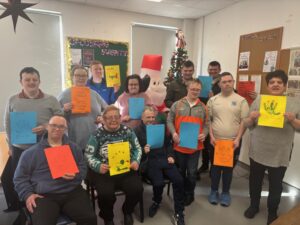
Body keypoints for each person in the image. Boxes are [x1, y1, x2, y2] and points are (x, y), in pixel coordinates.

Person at [13, 115, 97, 225]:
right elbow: (19, 178)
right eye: (53, 125)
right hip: (44, 196)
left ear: (65, 129)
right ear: (47, 127)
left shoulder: (74, 148)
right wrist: (28, 194)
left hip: (72, 191)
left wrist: (76, 175)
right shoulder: (30, 153)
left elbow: (83, 167)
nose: (57, 129)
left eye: (61, 126)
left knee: (90, 219)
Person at [243, 70, 300, 225]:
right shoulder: (259, 99)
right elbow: (247, 123)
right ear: (268, 86)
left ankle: (272, 212)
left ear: (285, 85)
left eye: (279, 82)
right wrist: (252, 117)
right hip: (258, 150)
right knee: (255, 182)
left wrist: (294, 120)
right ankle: (254, 206)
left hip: (280, 153)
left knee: (276, 186)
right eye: (272, 82)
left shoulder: (295, 103)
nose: (275, 85)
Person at [4, 67, 62, 212]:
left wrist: (47, 126)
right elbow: (8, 123)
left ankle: (46, 206)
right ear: (21, 82)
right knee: (22, 179)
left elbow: (61, 119)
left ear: (39, 81)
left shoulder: (51, 99)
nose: (31, 82)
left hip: (46, 147)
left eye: (34, 79)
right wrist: (10, 146)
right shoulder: (13, 100)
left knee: (46, 177)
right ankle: (25, 208)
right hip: (20, 148)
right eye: (27, 79)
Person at [85, 105, 143, 225]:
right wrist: (98, 165)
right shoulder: (96, 135)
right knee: (105, 194)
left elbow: (137, 148)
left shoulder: (128, 131)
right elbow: (88, 155)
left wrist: (135, 161)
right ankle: (108, 217)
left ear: (120, 118)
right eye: (109, 117)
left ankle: (127, 211)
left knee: (137, 189)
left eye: (116, 117)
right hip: (105, 171)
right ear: (104, 119)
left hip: (125, 168)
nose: (113, 120)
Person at [134, 107, 185, 225]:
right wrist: (142, 150)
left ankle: (179, 212)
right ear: (142, 118)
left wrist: (171, 155)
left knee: (179, 180)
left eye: (153, 117)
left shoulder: (160, 128)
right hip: (150, 161)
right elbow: (133, 150)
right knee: (158, 183)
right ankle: (156, 201)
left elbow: (168, 144)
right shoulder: (136, 131)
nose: (151, 119)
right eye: (148, 117)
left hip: (165, 159)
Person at [207, 72, 249, 207]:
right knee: (214, 168)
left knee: (228, 169)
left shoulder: (241, 100)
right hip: (216, 141)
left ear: (233, 82)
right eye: (224, 82)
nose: (227, 84)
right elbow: (208, 121)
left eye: (229, 81)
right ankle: (213, 191)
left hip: (233, 142)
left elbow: (244, 122)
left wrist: (238, 139)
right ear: (219, 84)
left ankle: (225, 193)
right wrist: (212, 137)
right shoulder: (213, 100)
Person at [167, 79, 208, 206]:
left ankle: (189, 194)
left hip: (195, 148)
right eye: (193, 89)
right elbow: (169, 120)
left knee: (191, 174)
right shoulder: (177, 105)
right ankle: (179, 193)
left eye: (198, 90)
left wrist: (204, 134)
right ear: (187, 89)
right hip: (179, 146)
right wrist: (173, 133)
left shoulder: (203, 107)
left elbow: (207, 124)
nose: (195, 91)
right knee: (179, 172)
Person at [58, 65, 107, 152]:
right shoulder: (64, 95)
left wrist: (102, 116)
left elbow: (106, 110)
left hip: (93, 140)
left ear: (87, 78)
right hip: (73, 141)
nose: (81, 78)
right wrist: (63, 110)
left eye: (83, 76)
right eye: (77, 76)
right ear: (72, 77)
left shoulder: (94, 94)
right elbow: (54, 117)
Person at [198, 61, 222, 174]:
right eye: (210, 69)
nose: (212, 71)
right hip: (204, 117)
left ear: (219, 70)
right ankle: (204, 165)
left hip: (217, 118)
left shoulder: (222, 84)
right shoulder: (203, 82)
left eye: (215, 69)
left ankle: (214, 166)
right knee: (205, 142)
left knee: (213, 144)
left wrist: (213, 97)